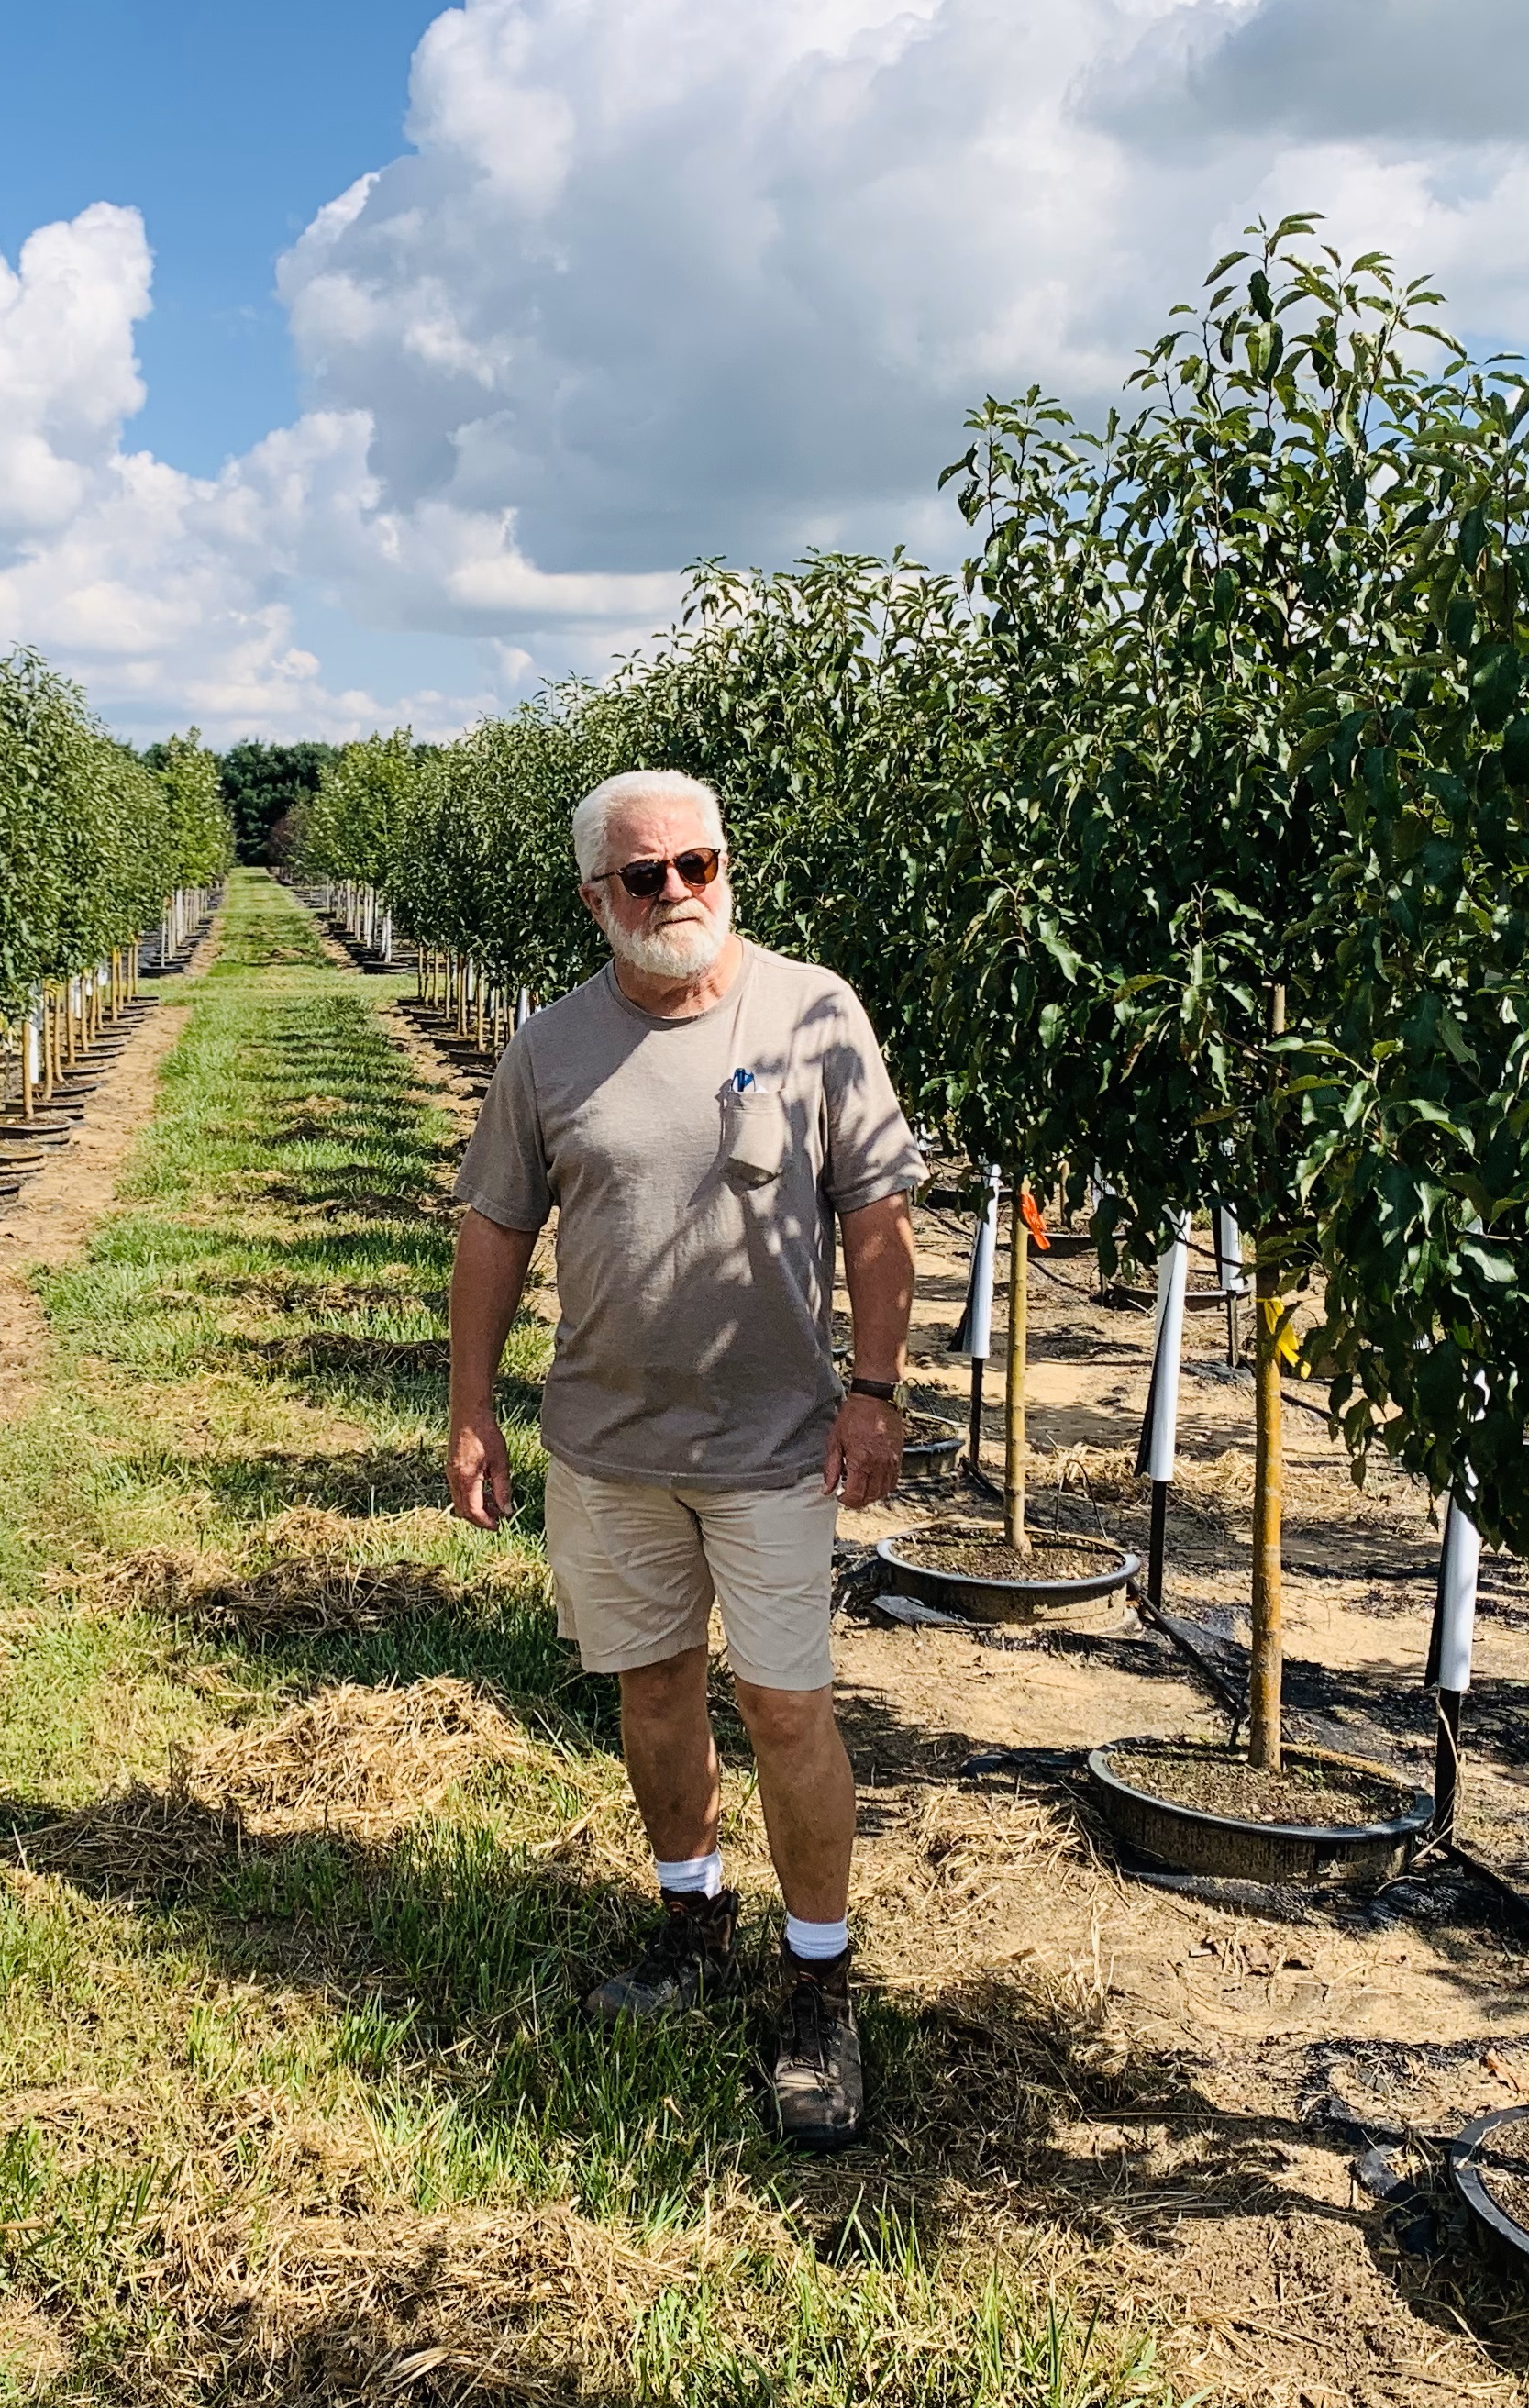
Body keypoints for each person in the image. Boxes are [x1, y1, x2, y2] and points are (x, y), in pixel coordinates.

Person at [444, 768, 921, 2151]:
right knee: (655, 1692)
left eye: (696, 866)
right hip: (608, 1448)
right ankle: (692, 1916)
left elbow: (877, 1221)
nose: (676, 897)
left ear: (728, 869)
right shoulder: (547, 1051)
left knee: (785, 1710)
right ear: (594, 898)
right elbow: (492, 1235)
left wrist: (877, 1392)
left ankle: (820, 1982)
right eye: (643, 877)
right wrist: (472, 1410)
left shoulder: (814, 1012)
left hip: (775, 1448)